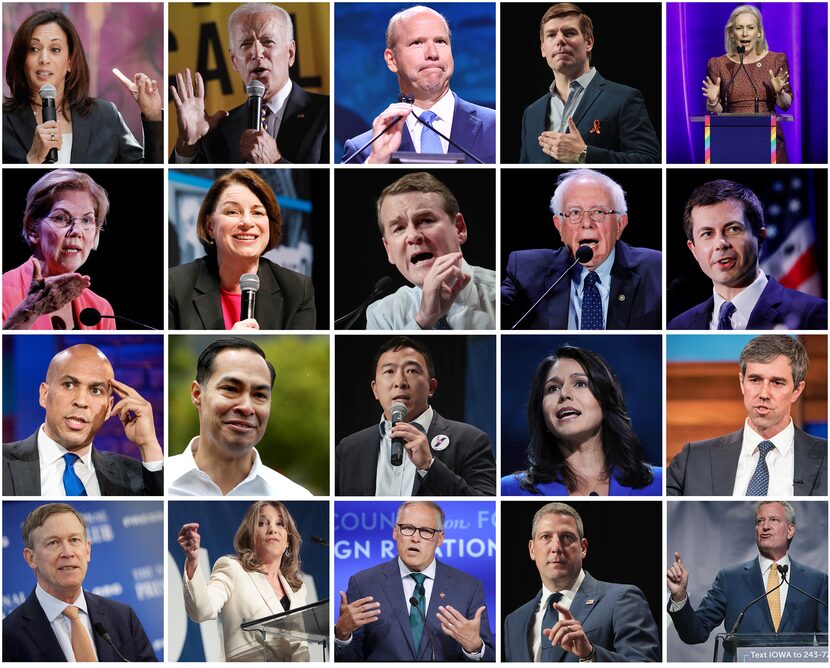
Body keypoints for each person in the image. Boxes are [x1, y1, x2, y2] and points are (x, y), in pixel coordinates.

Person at [335, 501, 495, 661]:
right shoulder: (364, 583)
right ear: (395, 532)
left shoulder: (469, 588)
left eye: (426, 531)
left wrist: (474, 648)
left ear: (440, 538)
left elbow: (490, 658)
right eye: (408, 528)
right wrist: (342, 635)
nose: (415, 538)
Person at [502, 169, 662, 329]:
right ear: (559, 226)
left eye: (599, 212)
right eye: (574, 212)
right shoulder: (525, 270)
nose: (586, 223)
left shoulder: (656, 270)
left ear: (620, 225)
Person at [667, 501, 828, 661]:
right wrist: (679, 596)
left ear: (790, 530)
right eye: (760, 521)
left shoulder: (816, 581)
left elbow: (826, 642)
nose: (765, 526)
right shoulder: (729, 579)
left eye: (774, 520)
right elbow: (695, 633)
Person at [667, 335, 827, 496]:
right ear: (742, 383)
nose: (764, 393)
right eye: (755, 380)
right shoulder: (693, 459)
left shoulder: (825, 458)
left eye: (777, 382)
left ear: (796, 391)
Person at [335, 337, 495, 495]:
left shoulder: (470, 440)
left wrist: (429, 466)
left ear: (431, 387)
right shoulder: (349, 448)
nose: (400, 382)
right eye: (389, 371)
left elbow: (489, 504)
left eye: (411, 370)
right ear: (375, 389)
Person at [170, 3, 328, 164]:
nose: (256, 53)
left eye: (267, 41)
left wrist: (274, 162)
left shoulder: (327, 114)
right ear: (234, 61)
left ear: (290, 53)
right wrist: (187, 145)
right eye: (246, 44)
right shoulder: (217, 131)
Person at [504, 502, 660, 661]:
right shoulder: (515, 621)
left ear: (583, 548)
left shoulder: (621, 599)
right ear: (532, 549)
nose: (556, 547)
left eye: (566, 537)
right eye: (546, 537)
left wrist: (590, 654)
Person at [3, 9, 162, 163]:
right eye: (34, 49)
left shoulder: (105, 116)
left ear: (70, 62)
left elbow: (149, 175)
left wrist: (153, 116)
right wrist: (32, 159)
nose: (44, 59)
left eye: (55, 49)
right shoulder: (5, 122)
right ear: (22, 60)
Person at [341, 5, 496, 164]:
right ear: (392, 60)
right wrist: (377, 161)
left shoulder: (495, 126)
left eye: (440, 41)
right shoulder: (362, 149)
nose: (433, 54)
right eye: (417, 43)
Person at [3, 503, 157, 661]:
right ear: (31, 558)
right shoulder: (7, 637)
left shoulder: (123, 617)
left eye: (74, 540)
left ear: (88, 550)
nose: (67, 553)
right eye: (53, 543)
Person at [2, 344, 163, 496]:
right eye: (69, 385)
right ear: (44, 395)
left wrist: (148, 444)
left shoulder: (134, 475)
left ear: (109, 408)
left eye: (95, 390)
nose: (81, 401)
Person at [502, 346, 662, 496]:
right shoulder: (508, 490)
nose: (564, 393)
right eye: (553, 388)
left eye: (580, 383)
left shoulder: (660, 483)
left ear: (605, 399)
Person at [168, 169, 316, 330]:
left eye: (257, 212)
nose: (246, 222)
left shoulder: (297, 290)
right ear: (210, 226)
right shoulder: (174, 285)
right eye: (232, 211)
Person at [669, 179, 826, 330]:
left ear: (760, 236)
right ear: (693, 250)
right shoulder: (679, 325)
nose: (721, 243)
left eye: (733, 229)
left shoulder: (812, 314)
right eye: (707, 233)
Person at [167, 337, 313, 497]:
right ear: (197, 394)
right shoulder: (157, 482)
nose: (246, 407)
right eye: (230, 389)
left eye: (259, 395)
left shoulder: (294, 497)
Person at [520, 3, 659, 164]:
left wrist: (584, 154)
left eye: (569, 33)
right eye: (551, 35)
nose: (560, 40)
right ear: (543, 49)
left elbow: (650, 160)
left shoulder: (624, 98)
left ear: (589, 43)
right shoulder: (531, 113)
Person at [178, 501, 309, 661]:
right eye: (262, 523)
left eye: (280, 524)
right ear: (251, 537)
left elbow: (302, 647)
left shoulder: (298, 589)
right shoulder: (233, 569)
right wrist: (193, 561)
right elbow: (202, 610)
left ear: (288, 541)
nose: (273, 529)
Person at [367, 172, 495, 330]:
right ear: (389, 250)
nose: (413, 236)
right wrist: (423, 320)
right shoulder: (383, 315)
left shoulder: (505, 294)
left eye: (426, 221)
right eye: (399, 228)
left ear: (459, 229)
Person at [3, 170, 114, 330]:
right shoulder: (4, 291)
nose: (77, 231)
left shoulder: (100, 309)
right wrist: (28, 313)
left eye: (86, 220)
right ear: (33, 229)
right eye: (61, 218)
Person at [702, 5, 792, 163]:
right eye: (739, 28)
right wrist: (712, 101)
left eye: (750, 28)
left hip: (768, 137)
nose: (745, 33)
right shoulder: (719, 64)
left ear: (759, 32)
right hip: (731, 138)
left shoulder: (776, 60)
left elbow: (785, 105)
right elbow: (718, 110)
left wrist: (780, 93)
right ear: (731, 33)